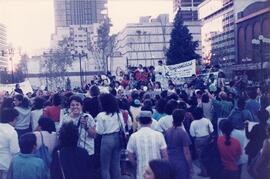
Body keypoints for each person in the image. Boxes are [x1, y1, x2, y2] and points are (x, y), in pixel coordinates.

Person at [127, 111, 168, 179]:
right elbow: (165, 155)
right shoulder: (159, 135)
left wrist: (136, 164)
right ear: (151, 122)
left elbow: (130, 156)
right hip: (157, 173)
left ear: (139, 122)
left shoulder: (133, 136)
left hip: (141, 173)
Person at [96, 93, 123, 179]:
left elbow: (99, 131)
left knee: (105, 167)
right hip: (117, 138)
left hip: (106, 139)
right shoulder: (118, 113)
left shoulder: (101, 115)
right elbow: (122, 125)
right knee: (116, 165)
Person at [165, 109, 192, 179]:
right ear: (183, 119)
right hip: (181, 162)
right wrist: (190, 166)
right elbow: (186, 152)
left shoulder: (168, 131)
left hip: (169, 160)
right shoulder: (183, 133)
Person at [189, 107, 213, 177]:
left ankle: (204, 172)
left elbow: (192, 134)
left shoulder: (193, 123)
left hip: (198, 140)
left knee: (200, 157)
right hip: (208, 138)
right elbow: (211, 130)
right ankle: (210, 170)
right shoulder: (207, 120)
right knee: (208, 155)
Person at [0, 108, 20, 179]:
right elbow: (15, 151)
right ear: (12, 119)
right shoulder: (12, 132)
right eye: (16, 119)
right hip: (6, 163)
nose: (17, 121)